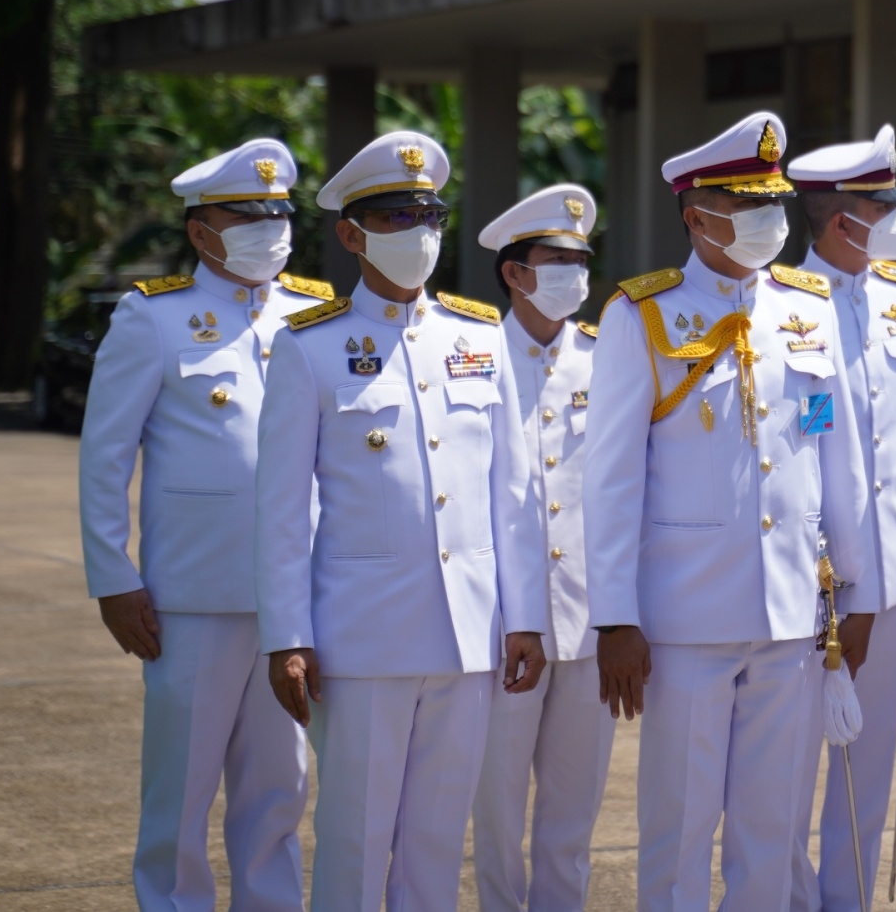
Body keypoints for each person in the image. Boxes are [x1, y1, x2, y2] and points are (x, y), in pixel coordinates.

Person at [581, 112, 874, 912]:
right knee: (677, 833)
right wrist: (614, 616)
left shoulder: (810, 306)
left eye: (771, 201)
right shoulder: (641, 315)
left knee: (773, 834)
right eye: (743, 203)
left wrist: (862, 589)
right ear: (695, 214)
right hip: (682, 623)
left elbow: (839, 461)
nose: (765, 220)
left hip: (791, 620)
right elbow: (609, 477)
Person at [256, 131, 548, 912]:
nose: (418, 232)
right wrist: (287, 634)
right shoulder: (308, 348)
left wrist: (525, 618)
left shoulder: (480, 337)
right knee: (354, 842)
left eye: (430, 214)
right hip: (362, 642)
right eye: (395, 217)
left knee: (433, 844)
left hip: (468, 640)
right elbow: (282, 507)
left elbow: (511, 496)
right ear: (351, 234)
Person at [77, 138, 327, 912]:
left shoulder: (315, 315)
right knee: (178, 797)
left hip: (295, 601)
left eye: (278, 212)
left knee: (279, 791)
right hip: (189, 600)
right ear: (200, 230)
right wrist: (113, 577)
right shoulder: (153, 317)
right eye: (246, 214)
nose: (269, 227)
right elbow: (104, 454)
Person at [783, 124, 896, 912]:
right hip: (807, 582)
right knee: (779, 777)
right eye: (884, 204)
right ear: (844, 220)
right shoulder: (785, 303)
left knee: (866, 777)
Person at [469, 184, 611, 912]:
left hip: (589, 624)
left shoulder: (606, 356)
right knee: (496, 809)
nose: (572, 274)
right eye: (554, 259)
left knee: (573, 812)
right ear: (515, 272)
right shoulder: (474, 355)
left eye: (580, 259)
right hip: (501, 627)